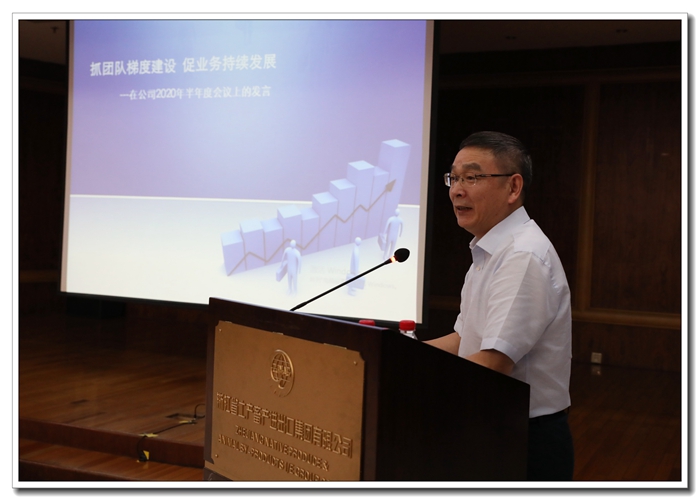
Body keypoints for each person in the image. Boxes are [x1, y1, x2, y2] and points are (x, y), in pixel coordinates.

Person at [425, 131, 574, 481]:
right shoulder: (490, 251)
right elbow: (465, 339)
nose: (457, 190)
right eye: (453, 178)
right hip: (492, 425)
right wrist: (395, 355)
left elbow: (493, 363)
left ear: (513, 187)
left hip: (525, 439)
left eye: (472, 177)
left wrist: (410, 380)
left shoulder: (522, 255)